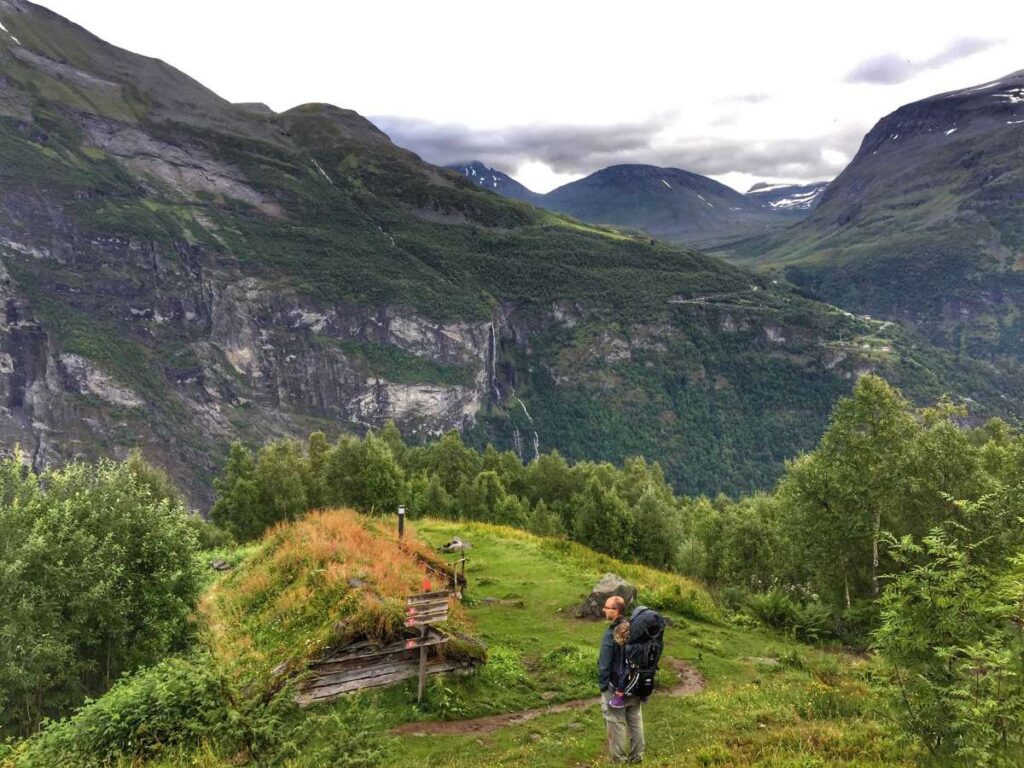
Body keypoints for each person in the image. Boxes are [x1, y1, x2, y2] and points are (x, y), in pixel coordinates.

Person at [598, 596, 645, 763]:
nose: (604, 610)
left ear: (616, 610)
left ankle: (619, 761)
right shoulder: (633, 629)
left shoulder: (611, 633)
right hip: (635, 685)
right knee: (635, 720)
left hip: (616, 687)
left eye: (607, 607)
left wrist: (604, 686)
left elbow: (604, 663)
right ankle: (637, 758)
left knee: (615, 721)